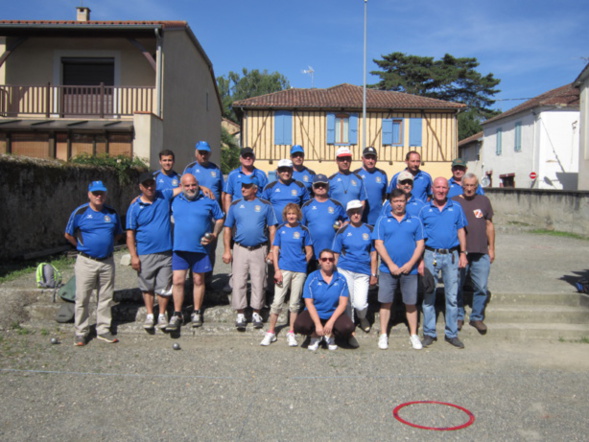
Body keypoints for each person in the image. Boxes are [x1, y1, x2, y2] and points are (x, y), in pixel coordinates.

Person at [65, 180, 124, 346]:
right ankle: (81, 331)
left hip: (107, 261)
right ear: (89, 195)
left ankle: (103, 329)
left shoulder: (112, 213)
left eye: (102, 193)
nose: (99, 196)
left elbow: (118, 234)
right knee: (82, 297)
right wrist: (82, 247)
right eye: (95, 193)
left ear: (106, 194)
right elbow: (68, 234)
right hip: (86, 262)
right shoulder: (80, 212)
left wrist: (106, 245)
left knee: (105, 297)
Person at [166, 174, 224, 331]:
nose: (191, 188)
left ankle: (196, 311)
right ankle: (177, 313)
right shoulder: (175, 200)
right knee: (178, 281)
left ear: (197, 184)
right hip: (179, 249)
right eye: (187, 186)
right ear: (181, 186)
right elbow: (153, 195)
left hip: (200, 249)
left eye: (193, 185)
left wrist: (214, 234)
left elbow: (219, 218)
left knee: (198, 281)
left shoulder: (209, 199)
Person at [126, 172, 182, 331]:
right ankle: (150, 314)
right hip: (145, 252)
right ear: (140, 187)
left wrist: (203, 187)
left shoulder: (163, 195)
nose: (150, 187)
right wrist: (133, 256)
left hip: (165, 251)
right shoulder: (134, 207)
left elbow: (182, 188)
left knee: (164, 286)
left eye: (152, 184)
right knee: (147, 286)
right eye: (146, 185)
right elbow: (130, 234)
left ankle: (162, 314)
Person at [418, 177, 468, 349]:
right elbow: (419, 237)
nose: (440, 190)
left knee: (452, 297)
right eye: (437, 187)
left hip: (452, 255)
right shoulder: (424, 209)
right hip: (430, 255)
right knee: (428, 295)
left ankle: (451, 333)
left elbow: (461, 230)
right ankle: (429, 332)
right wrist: (419, 260)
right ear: (432, 188)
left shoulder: (456, 208)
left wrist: (463, 253)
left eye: (443, 187)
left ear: (448, 189)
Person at [223, 175, 277, 330]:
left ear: (255, 189)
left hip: (259, 249)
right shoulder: (235, 205)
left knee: (259, 281)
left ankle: (256, 312)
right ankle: (240, 313)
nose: (243, 189)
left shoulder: (266, 205)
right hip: (240, 248)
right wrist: (227, 249)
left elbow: (272, 229)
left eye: (246, 187)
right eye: (242, 186)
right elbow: (227, 228)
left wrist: (272, 250)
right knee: (238, 281)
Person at [373, 189, 425, 350]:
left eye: (402, 201)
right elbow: (378, 244)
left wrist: (410, 264)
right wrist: (391, 264)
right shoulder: (382, 220)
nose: (399, 204)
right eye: (396, 201)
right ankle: (383, 334)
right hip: (388, 270)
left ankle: (414, 335)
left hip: (410, 270)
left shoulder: (415, 220)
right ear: (391, 203)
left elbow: (420, 244)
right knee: (385, 303)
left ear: (406, 202)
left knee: (411, 303)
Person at [261, 203, 313, 347]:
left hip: (299, 271)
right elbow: (275, 250)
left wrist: (304, 263)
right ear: (285, 215)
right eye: (289, 214)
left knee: (294, 303)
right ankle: (271, 331)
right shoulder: (281, 229)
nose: (291, 216)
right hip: (283, 269)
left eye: (294, 214)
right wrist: (277, 270)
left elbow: (309, 251)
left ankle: (291, 332)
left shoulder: (303, 230)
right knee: (277, 301)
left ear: (298, 215)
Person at [452, 173, 495, 334]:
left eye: (472, 185)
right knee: (457, 286)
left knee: (482, 286)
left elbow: (489, 225)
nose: (469, 188)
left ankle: (477, 317)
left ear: (476, 186)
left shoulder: (484, 201)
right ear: (462, 186)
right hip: (460, 252)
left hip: (481, 251)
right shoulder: (455, 202)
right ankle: (458, 315)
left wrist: (492, 248)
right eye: (466, 185)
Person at [332, 200, 377, 344]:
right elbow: (336, 254)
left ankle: (362, 318)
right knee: (348, 301)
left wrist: (373, 274)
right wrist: (335, 273)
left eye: (358, 211)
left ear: (362, 212)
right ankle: (350, 329)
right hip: (345, 269)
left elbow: (373, 254)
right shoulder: (342, 231)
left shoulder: (369, 229)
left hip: (363, 271)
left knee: (360, 304)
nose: (355, 214)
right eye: (352, 212)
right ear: (348, 214)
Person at [293, 249, 355, 351]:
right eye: (324, 259)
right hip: (315, 312)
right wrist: (317, 324)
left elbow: (343, 304)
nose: (328, 261)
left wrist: (331, 322)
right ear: (319, 261)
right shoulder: (312, 277)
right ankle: (315, 335)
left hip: (333, 312)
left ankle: (330, 336)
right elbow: (309, 303)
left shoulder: (341, 279)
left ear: (334, 261)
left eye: (330, 259)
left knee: (348, 327)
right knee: (300, 325)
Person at [184, 141, 225, 276]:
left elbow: (223, 192)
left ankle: (207, 280)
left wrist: (224, 213)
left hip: (213, 216)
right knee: (194, 247)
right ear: (196, 153)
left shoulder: (216, 169)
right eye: (201, 153)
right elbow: (183, 187)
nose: (203, 155)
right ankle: (193, 279)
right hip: (196, 215)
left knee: (211, 247)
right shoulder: (190, 169)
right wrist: (201, 187)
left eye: (206, 153)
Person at [301, 174, 347, 270]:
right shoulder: (306, 206)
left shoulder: (336, 205)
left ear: (328, 186)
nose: (320, 187)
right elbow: (301, 228)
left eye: (323, 185)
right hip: (312, 254)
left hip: (332, 254)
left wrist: (342, 226)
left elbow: (346, 221)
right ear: (313, 187)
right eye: (317, 185)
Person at [223, 147, 268, 213]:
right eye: (245, 156)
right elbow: (228, 196)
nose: (248, 158)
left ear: (254, 158)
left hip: (257, 211)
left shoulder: (261, 174)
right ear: (240, 159)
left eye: (250, 156)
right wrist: (229, 216)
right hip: (238, 211)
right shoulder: (233, 175)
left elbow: (267, 195)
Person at [354, 146, 388, 225]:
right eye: (368, 158)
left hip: (377, 219)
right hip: (360, 220)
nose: (370, 161)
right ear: (362, 159)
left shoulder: (382, 174)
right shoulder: (356, 174)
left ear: (376, 159)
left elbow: (383, 196)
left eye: (373, 158)